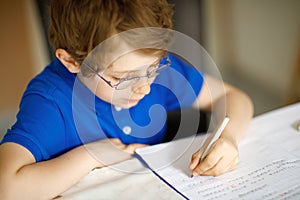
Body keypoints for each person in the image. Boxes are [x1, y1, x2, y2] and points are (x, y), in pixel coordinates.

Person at [0, 0, 253, 199]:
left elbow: (233, 97)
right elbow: (6, 189)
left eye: (153, 68)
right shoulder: (50, 102)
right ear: (72, 62)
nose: (144, 87)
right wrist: (92, 156)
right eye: (123, 78)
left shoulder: (153, 69)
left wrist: (228, 137)